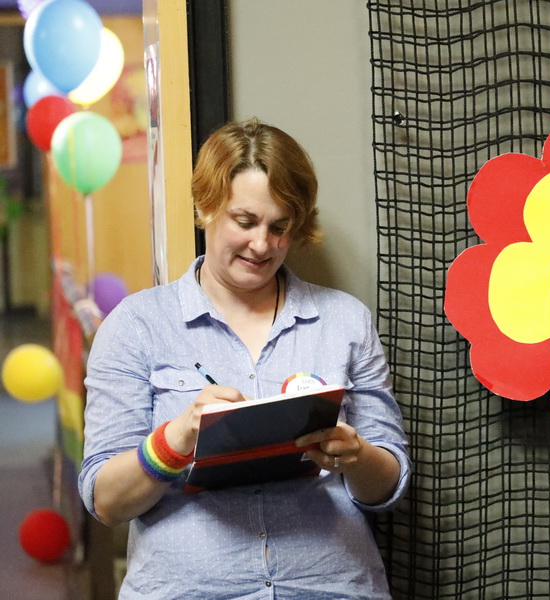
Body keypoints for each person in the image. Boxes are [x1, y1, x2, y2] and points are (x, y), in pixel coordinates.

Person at [78, 118, 411, 599]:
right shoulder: (137, 325)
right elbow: (106, 501)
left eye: (280, 227)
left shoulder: (344, 321)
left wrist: (357, 457)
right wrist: (177, 438)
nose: (263, 245)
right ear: (206, 206)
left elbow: (388, 488)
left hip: (329, 585)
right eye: (245, 221)